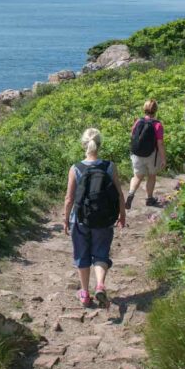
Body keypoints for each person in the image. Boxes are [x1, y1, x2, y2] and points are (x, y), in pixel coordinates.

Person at [63, 128, 127, 309]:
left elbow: (69, 198)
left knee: (82, 256)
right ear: (99, 144)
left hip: (80, 219)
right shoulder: (109, 166)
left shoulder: (75, 168)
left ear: (83, 144)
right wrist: (122, 215)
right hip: (104, 219)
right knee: (101, 254)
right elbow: (119, 194)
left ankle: (84, 294)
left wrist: (66, 219)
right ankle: (100, 285)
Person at [126, 99, 166, 209]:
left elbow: (132, 136)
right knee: (152, 176)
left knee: (137, 176)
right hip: (151, 155)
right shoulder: (157, 125)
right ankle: (149, 199)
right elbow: (160, 143)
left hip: (137, 154)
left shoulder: (138, 122)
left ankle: (131, 193)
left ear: (144, 109)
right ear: (156, 110)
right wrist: (163, 159)